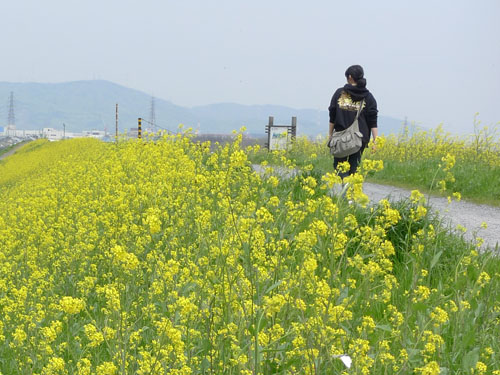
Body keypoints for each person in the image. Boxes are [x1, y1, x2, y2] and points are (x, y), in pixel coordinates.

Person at [328, 65, 378, 180]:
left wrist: (330, 135)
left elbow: (332, 115)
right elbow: (373, 120)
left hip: (341, 138)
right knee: (354, 169)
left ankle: (346, 191)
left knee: (339, 167)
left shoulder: (339, 93)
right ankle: (351, 195)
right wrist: (376, 140)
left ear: (350, 77)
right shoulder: (368, 97)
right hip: (359, 138)